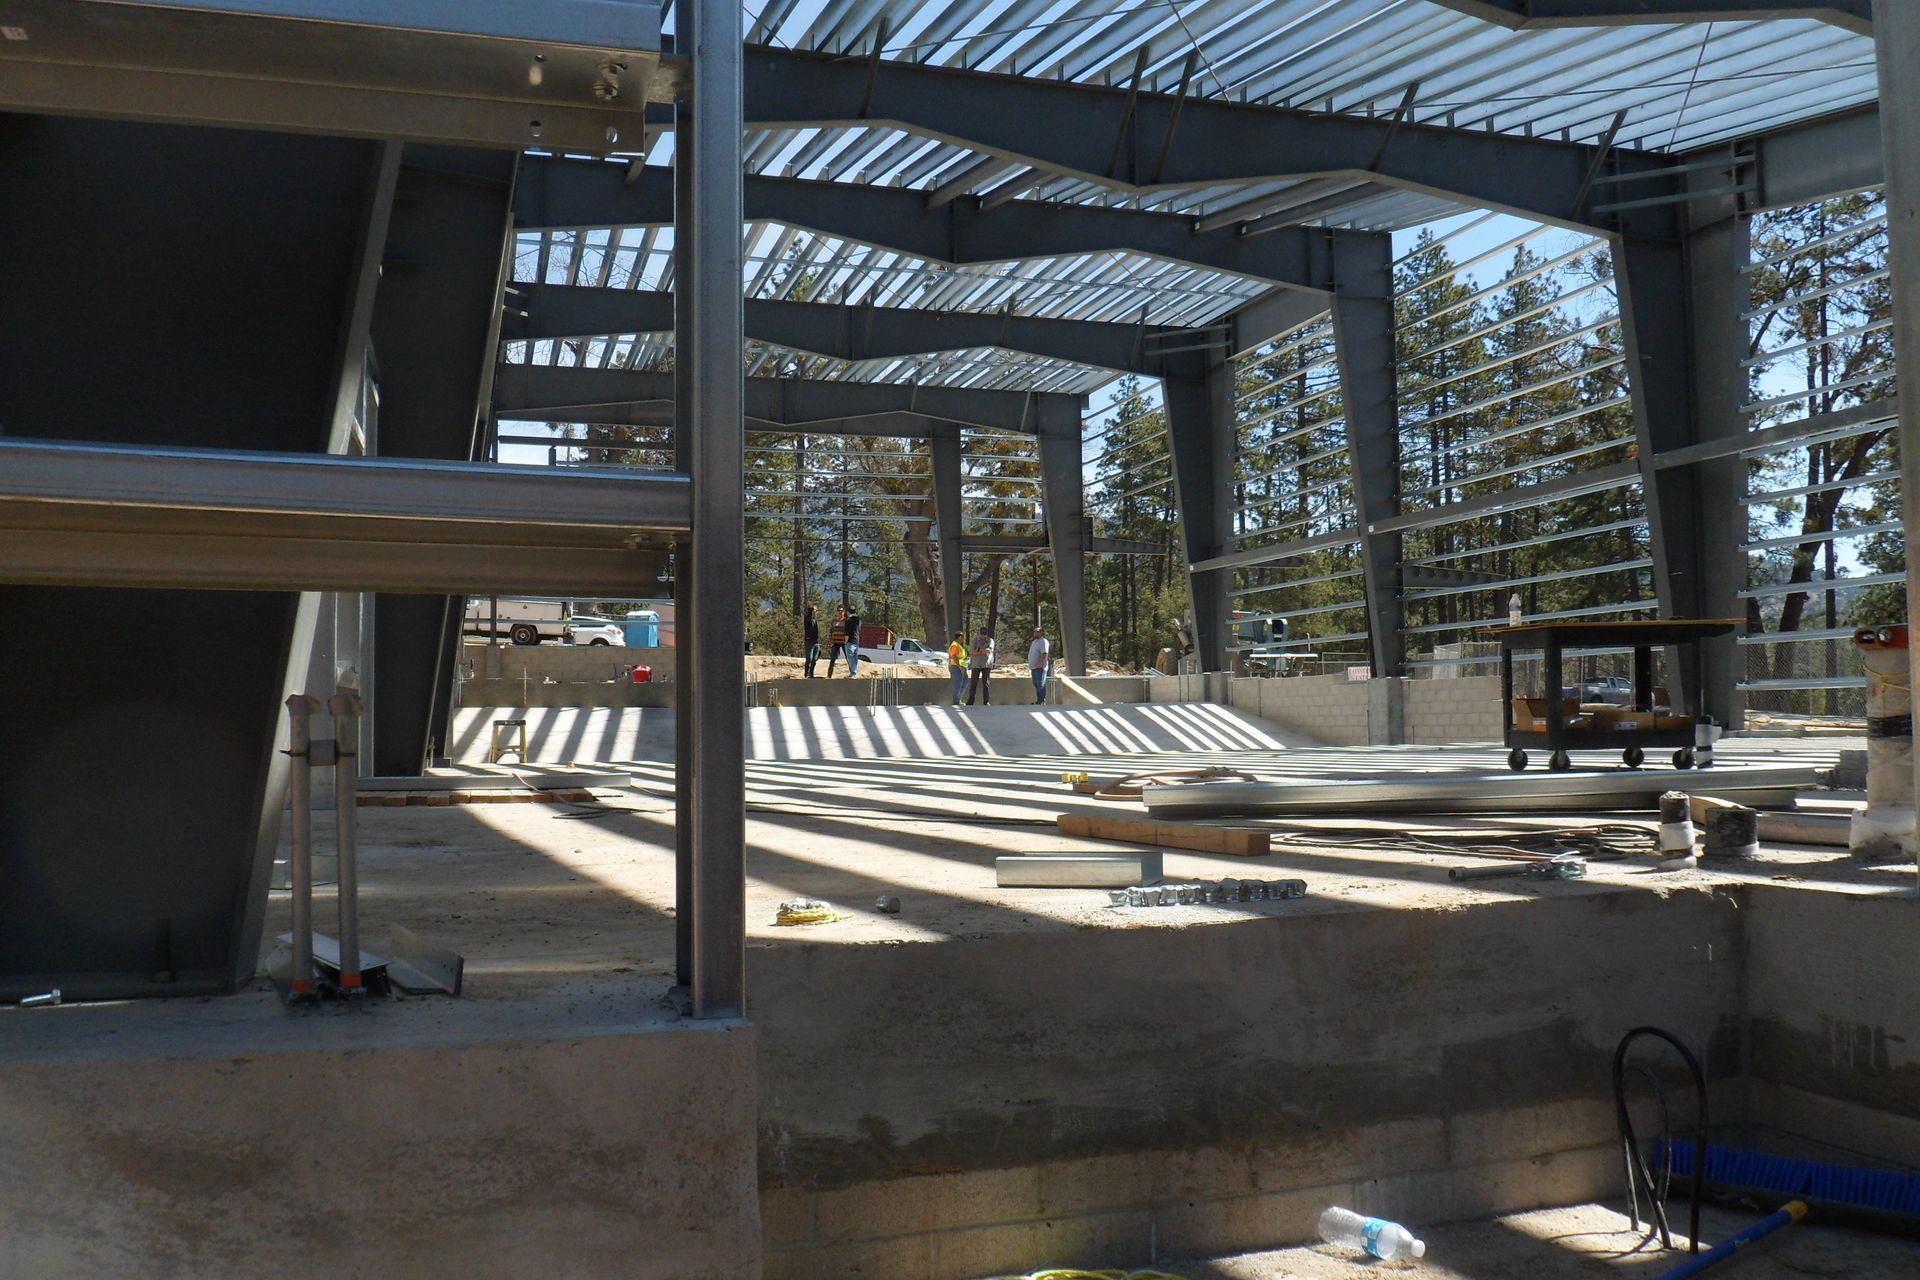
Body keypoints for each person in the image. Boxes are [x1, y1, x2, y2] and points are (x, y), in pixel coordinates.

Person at [966, 625, 995, 706]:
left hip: (986, 665)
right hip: (976, 665)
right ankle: (970, 701)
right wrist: (983, 650)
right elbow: (972, 652)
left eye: (984, 635)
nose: (983, 636)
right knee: (973, 684)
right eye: (982, 634)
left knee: (986, 683)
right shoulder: (975, 640)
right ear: (979, 634)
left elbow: (989, 650)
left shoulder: (990, 640)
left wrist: (978, 649)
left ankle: (986, 701)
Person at [1028, 626, 1051, 705]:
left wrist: (1040, 664)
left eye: (1037, 632)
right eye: (1035, 631)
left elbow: (1044, 653)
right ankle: (1039, 700)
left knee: (1041, 684)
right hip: (1033, 667)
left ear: (1042, 632)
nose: (1035, 633)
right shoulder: (1034, 642)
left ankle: (1042, 701)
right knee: (1036, 684)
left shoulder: (1043, 641)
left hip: (1040, 668)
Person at [946, 631, 969, 707]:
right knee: (958, 684)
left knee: (965, 682)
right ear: (959, 637)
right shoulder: (954, 645)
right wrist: (959, 666)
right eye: (963, 637)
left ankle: (958, 698)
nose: (963, 639)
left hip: (962, 667)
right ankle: (956, 701)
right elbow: (954, 656)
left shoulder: (959, 645)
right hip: (956, 667)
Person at [826, 607, 848, 677]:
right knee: (832, 658)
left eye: (841, 611)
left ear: (844, 612)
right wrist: (830, 639)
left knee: (848, 657)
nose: (840, 612)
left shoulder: (846, 621)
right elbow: (831, 630)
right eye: (838, 611)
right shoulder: (834, 621)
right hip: (835, 641)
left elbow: (848, 631)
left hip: (843, 642)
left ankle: (852, 673)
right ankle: (829, 674)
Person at [843, 607, 862, 676]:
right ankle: (854, 672)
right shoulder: (858, 619)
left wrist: (845, 641)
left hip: (850, 640)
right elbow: (859, 629)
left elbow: (847, 632)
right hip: (856, 639)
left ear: (848, 612)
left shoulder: (848, 620)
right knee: (855, 656)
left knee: (850, 657)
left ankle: (853, 673)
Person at [803, 604, 821, 678]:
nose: (817, 612)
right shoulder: (808, 619)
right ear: (812, 611)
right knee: (809, 658)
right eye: (815, 611)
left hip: (816, 642)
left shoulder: (814, 620)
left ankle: (811, 674)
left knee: (815, 658)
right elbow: (808, 620)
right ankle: (807, 674)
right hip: (809, 642)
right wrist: (811, 611)